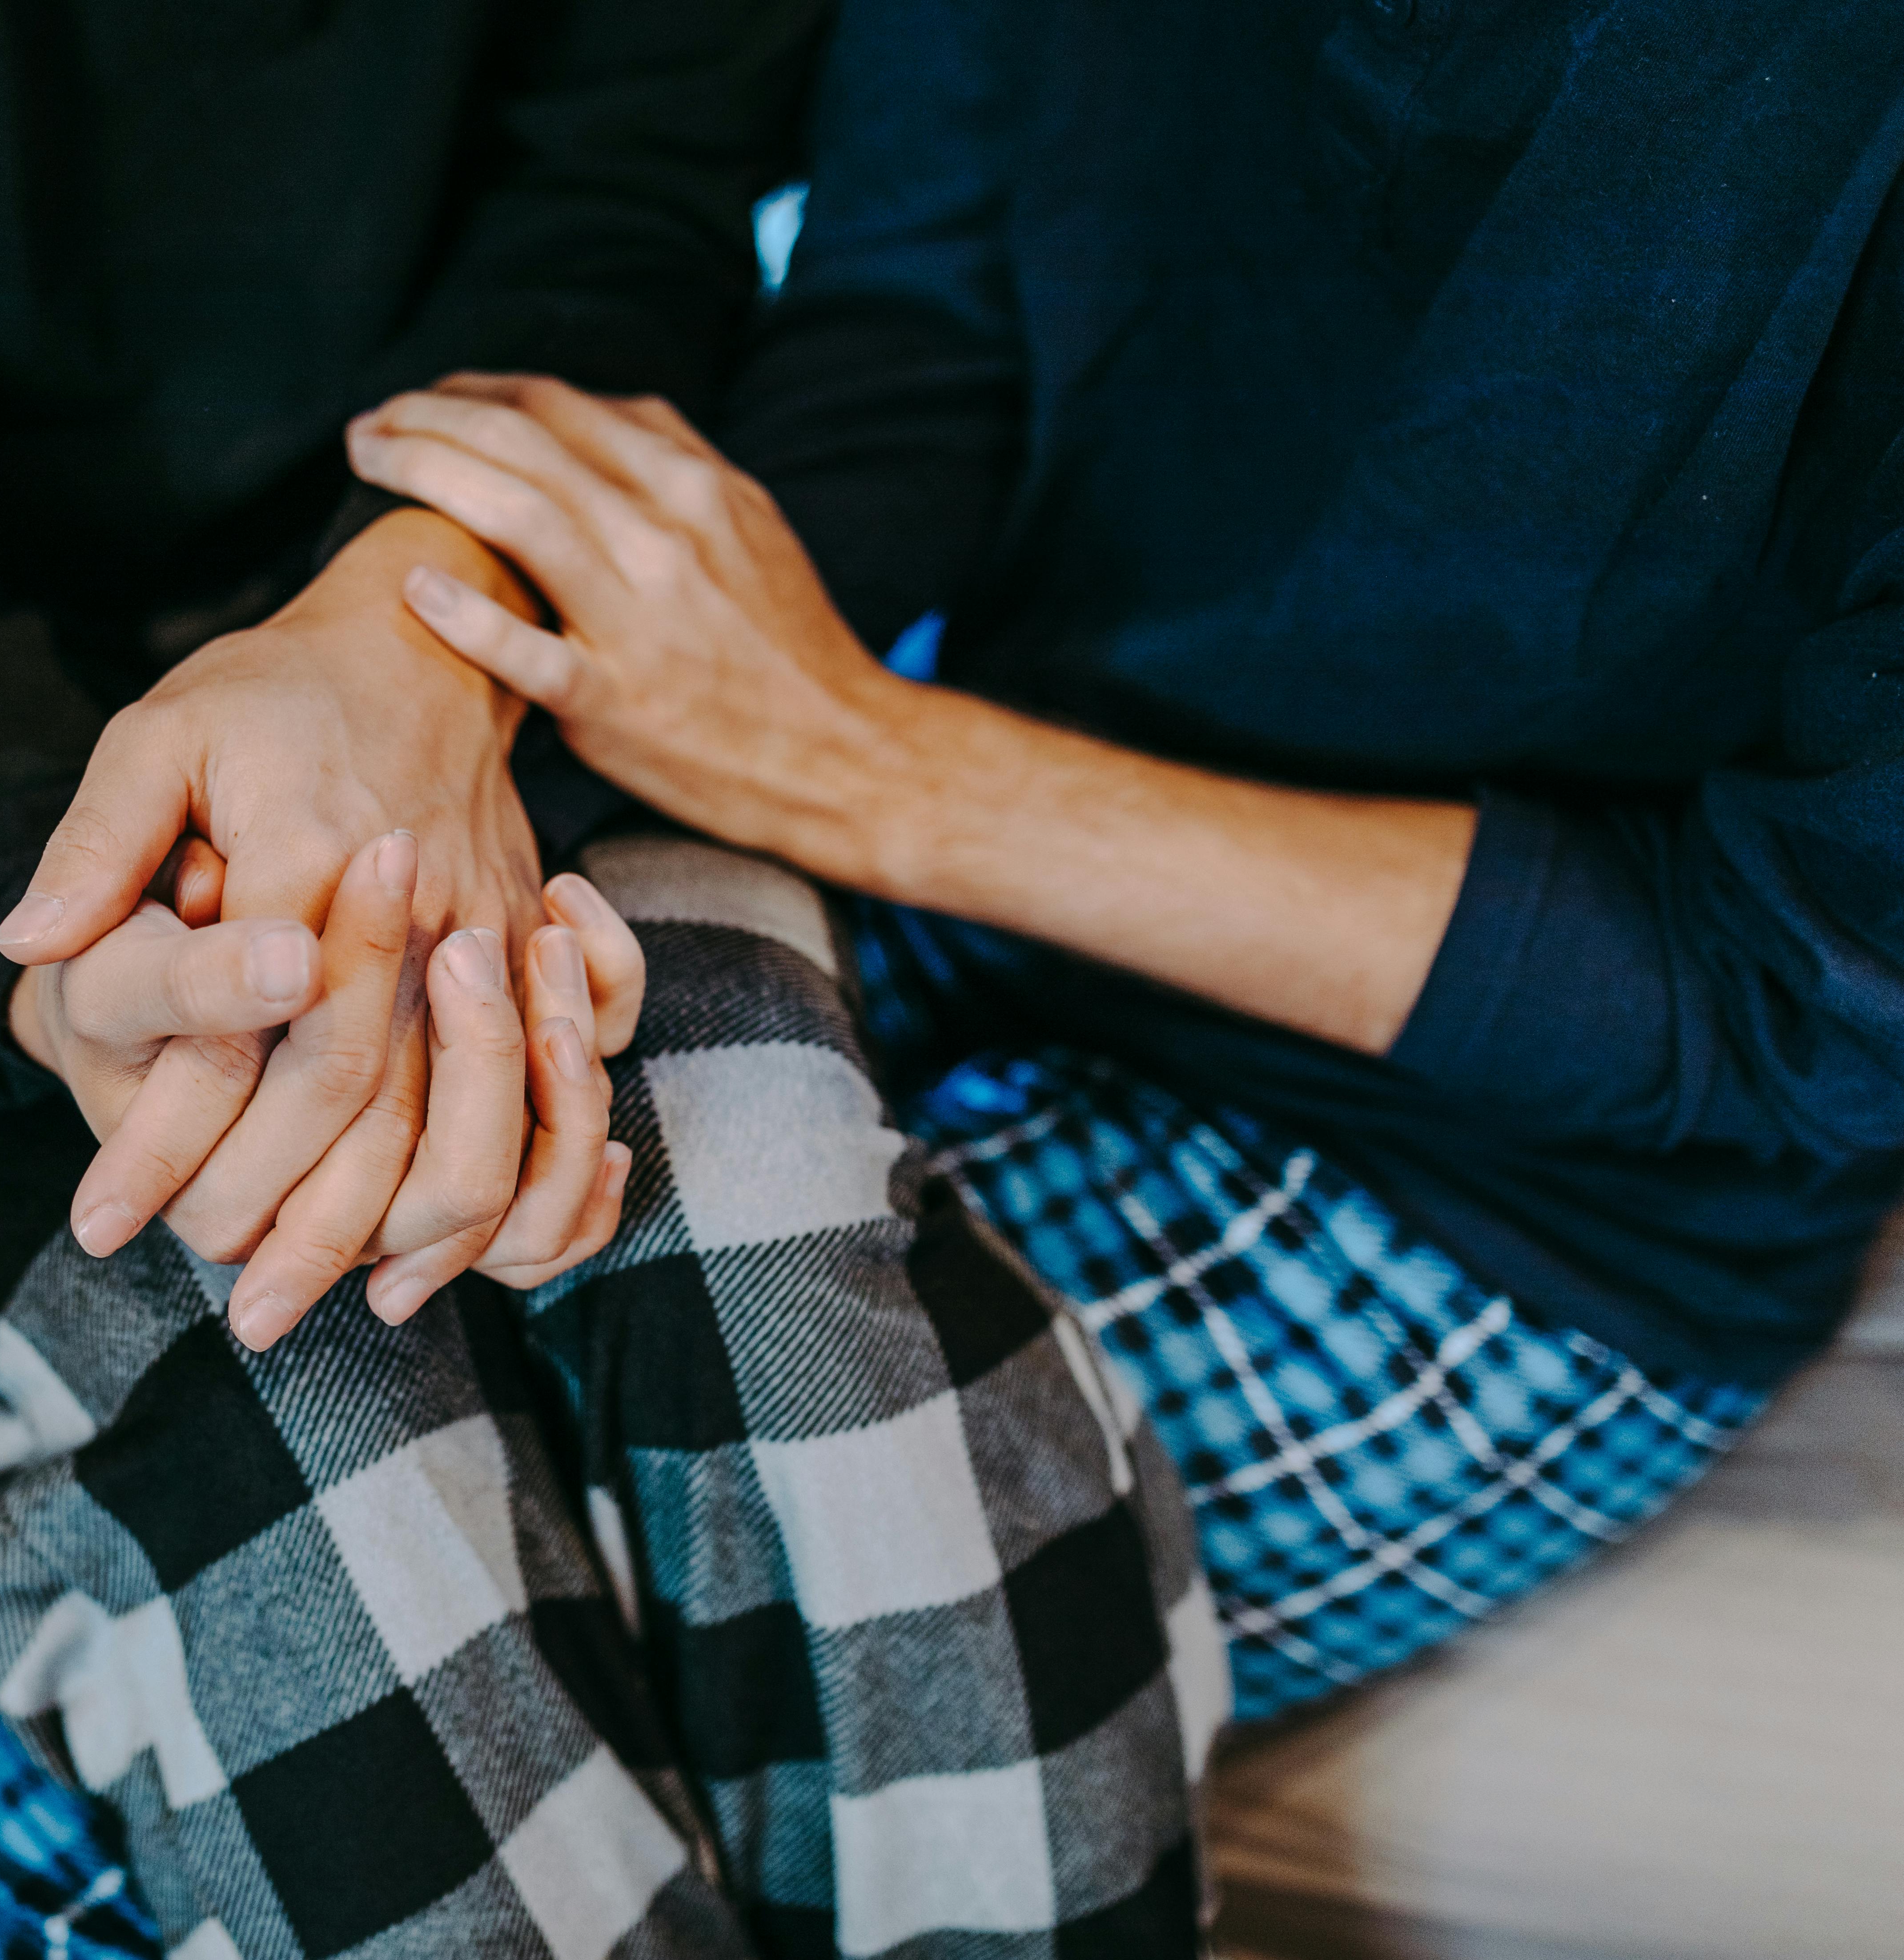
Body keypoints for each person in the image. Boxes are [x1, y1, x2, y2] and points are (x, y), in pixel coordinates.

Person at [0, 1, 1218, 1956]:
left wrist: (409, 629)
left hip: (466, 544)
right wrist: (50, 953)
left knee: (766, 1221)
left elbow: (633, 192)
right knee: (279, 1390)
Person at [345, 0, 1904, 1736]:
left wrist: (869, 765)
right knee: (279, 1443)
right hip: (967, 870)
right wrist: (460, 698)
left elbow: (1807, 1008)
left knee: (422, 1696)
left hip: (1512, 1170)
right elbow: (922, 320)